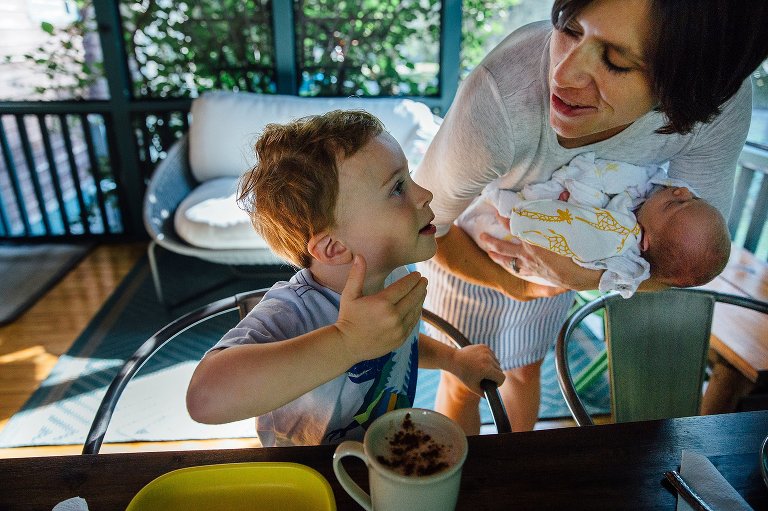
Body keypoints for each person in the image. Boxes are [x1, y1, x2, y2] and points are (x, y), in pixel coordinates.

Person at [412, 0, 768, 434]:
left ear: (695, 85)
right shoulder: (501, 100)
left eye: (616, 61)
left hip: (562, 269)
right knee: (465, 379)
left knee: (524, 369)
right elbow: (422, 226)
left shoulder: (718, 104)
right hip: (467, 246)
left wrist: (587, 279)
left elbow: (688, 260)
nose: (560, 75)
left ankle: (517, 469)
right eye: (569, 28)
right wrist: (518, 284)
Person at [186, 110, 505, 447]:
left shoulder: (394, 274)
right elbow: (204, 399)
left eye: (409, 178)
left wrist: (451, 360)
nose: (424, 193)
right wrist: (346, 340)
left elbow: (396, 340)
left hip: (381, 455)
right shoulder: (295, 312)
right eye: (397, 188)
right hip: (308, 480)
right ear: (335, 247)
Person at [461, 152, 731, 298]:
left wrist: (579, 195)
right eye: (693, 198)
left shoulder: (620, 236)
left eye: (675, 205)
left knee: (491, 219)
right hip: (538, 270)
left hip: (523, 246)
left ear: (644, 240)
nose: (680, 191)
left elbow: (579, 227)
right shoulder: (647, 205)